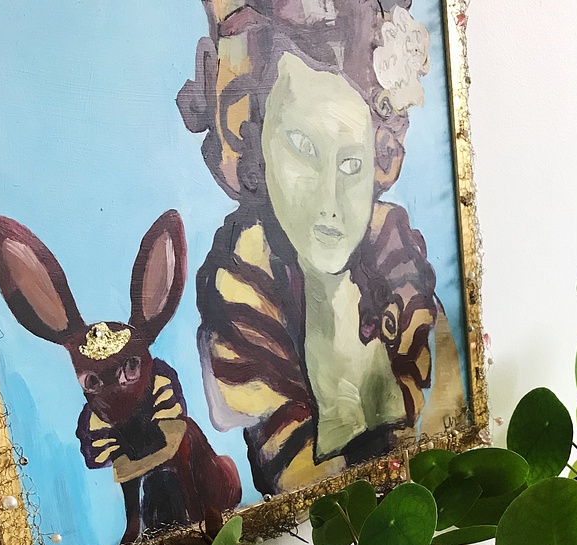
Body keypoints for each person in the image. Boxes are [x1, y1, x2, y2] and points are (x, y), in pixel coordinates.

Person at [179, 0, 466, 496]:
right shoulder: (241, 304)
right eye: (302, 146)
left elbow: (448, 430)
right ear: (257, 142)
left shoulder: (406, 278)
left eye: (351, 163)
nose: (329, 201)